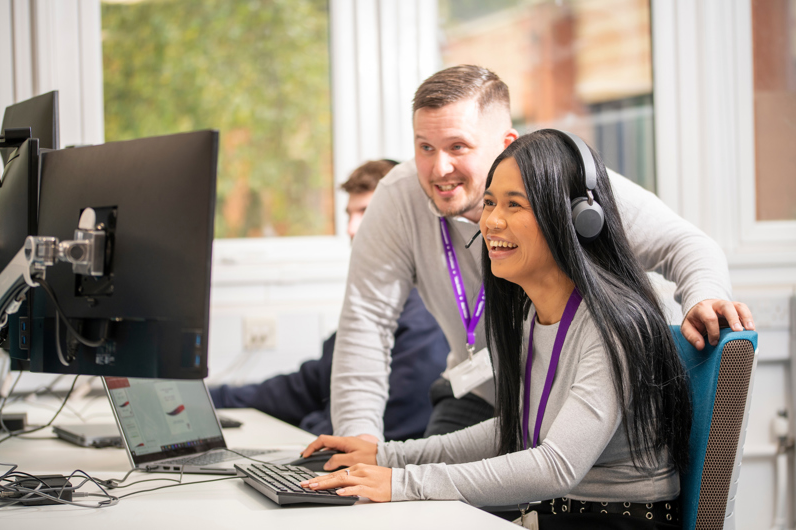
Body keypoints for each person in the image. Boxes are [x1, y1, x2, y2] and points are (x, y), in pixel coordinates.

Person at [330, 65, 753, 442]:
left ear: (506, 143)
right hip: (483, 393)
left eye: (458, 146)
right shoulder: (398, 196)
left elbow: (686, 243)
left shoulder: (566, 182)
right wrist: (359, 443)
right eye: (425, 147)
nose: (439, 168)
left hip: (578, 398)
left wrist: (704, 294)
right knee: (424, 500)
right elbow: (366, 323)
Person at [298, 130, 691, 529]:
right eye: (489, 203)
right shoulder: (534, 317)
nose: (491, 222)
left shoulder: (617, 325)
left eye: (513, 205)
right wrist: (386, 456)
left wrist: (402, 482)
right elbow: (514, 429)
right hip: (562, 515)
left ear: (572, 218)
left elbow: (555, 466)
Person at [209, 160, 449, 441]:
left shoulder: (426, 316)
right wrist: (209, 397)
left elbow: (390, 429)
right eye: (349, 214)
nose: (351, 228)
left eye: (365, 212)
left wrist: (309, 426)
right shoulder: (378, 302)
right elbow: (302, 388)